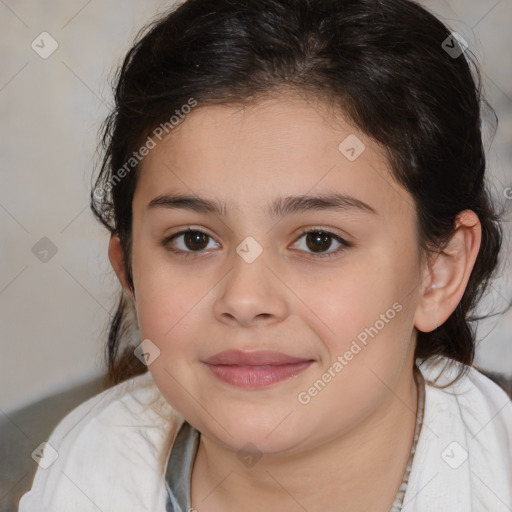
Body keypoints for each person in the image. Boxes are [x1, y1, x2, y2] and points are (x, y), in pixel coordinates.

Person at [18, 0, 512, 510]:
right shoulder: (75, 474)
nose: (246, 299)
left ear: (439, 271)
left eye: (320, 240)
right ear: (129, 270)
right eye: (193, 239)